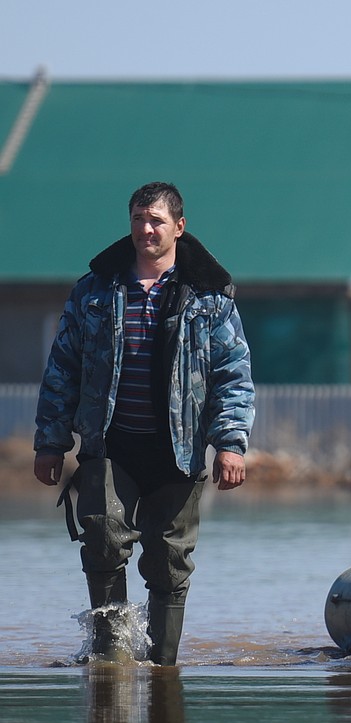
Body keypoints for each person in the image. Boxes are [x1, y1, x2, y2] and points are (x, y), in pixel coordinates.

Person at [33, 181, 255, 666]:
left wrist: (231, 444)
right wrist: (50, 442)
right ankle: (111, 661)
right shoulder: (94, 291)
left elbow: (232, 376)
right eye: (138, 219)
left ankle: (162, 669)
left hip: (178, 452)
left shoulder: (210, 297)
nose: (145, 229)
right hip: (109, 446)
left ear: (179, 226)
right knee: (104, 538)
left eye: (155, 220)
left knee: (169, 563)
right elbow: (62, 368)